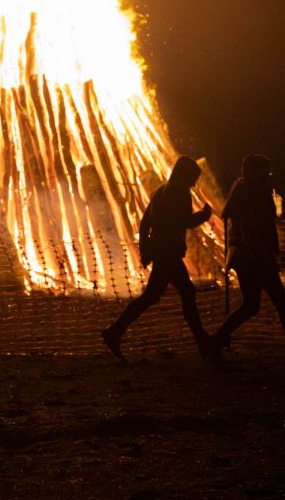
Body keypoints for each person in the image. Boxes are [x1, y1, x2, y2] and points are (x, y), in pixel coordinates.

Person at [101, 155, 212, 360]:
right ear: (184, 174)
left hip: (162, 252)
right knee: (185, 293)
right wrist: (204, 216)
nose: (194, 182)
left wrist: (146, 250)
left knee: (154, 296)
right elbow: (185, 221)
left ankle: (115, 331)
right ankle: (202, 342)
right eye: (192, 178)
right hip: (168, 253)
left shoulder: (161, 192)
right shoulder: (180, 193)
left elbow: (144, 225)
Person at [212, 154, 285, 350]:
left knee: (252, 305)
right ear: (257, 173)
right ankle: (219, 337)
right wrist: (262, 247)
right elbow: (256, 225)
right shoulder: (253, 193)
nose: (268, 176)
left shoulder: (244, 191)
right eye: (265, 172)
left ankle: (219, 338)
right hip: (255, 256)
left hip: (248, 257)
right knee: (280, 301)